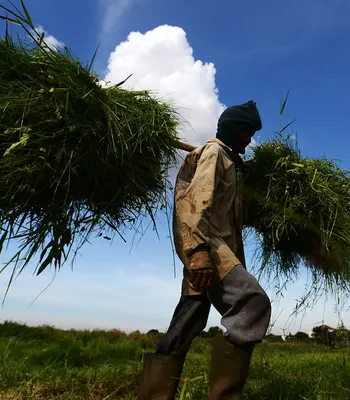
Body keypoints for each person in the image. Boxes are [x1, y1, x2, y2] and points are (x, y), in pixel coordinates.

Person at [139, 101, 272, 400]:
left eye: (251, 134)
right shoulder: (214, 153)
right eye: (244, 131)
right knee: (252, 303)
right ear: (230, 128)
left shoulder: (228, 161)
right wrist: (199, 254)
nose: (248, 139)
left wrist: (244, 176)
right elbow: (197, 202)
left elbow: (234, 214)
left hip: (213, 249)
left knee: (186, 324)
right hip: (208, 248)